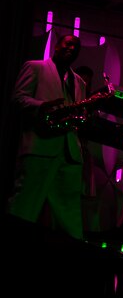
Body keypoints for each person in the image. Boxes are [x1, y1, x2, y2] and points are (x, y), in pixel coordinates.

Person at [7, 34, 86, 239]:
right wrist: (41, 106)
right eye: (68, 43)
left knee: (70, 214)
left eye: (76, 47)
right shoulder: (35, 67)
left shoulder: (79, 81)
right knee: (24, 205)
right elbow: (18, 98)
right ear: (56, 45)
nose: (72, 48)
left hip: (69, 152)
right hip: (40, 146)